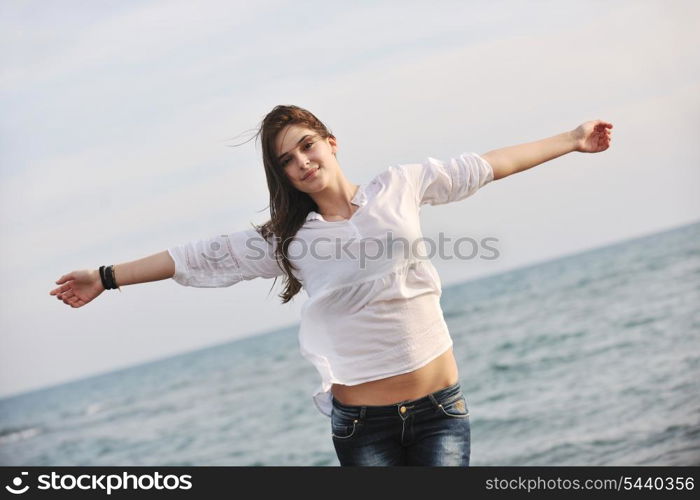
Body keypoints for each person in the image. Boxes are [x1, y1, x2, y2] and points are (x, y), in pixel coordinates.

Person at [49, 105, 613, 466]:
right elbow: (193, 257)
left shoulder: (401, 185)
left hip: (441, 409)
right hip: (363, 430)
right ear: (282, 175)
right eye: (286, 160)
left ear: (331, 141)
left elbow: (488, 165)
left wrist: (571, 137)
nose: (301, 162)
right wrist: (105, 277)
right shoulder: (286, 239)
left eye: (306, 146)